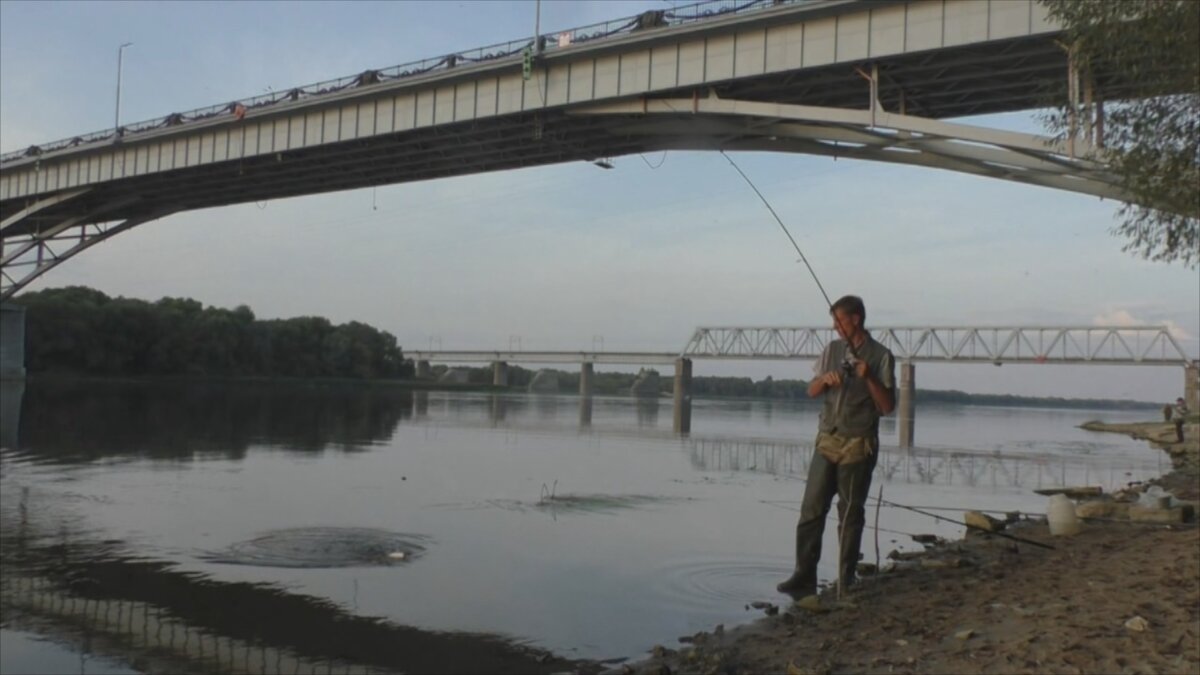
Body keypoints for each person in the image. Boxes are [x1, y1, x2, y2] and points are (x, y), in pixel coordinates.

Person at [778, 295, 896, 599]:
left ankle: (846, 580)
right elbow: (811, 390)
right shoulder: (831, 350)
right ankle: (804, 576)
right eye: (833, 321)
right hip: (826, 440)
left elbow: (886, 407)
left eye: (839, 320)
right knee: (810, 511)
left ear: (855, 319)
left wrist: (868, 376)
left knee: (850, 514)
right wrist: (825, 382)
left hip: (859, 444)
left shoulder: (882, 356)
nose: (835, 327)